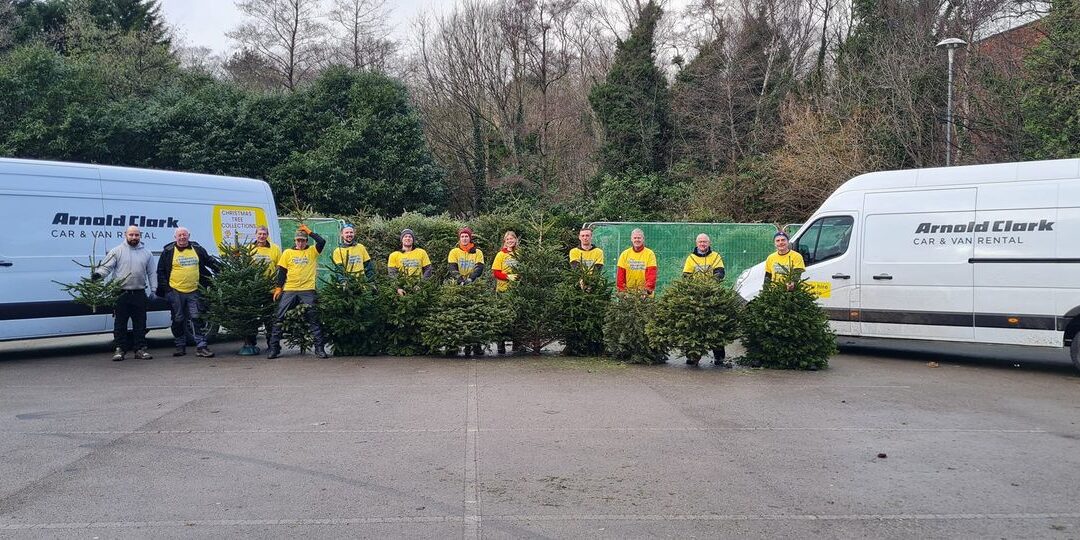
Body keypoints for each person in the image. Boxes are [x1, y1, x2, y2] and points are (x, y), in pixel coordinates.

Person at [93, 226, 157, 361]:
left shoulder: (147, 253)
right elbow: (106, 267)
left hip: (139, 292)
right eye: (131, 235)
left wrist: (154, 289)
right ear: (125, 235)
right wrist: (98, 275)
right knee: (120, 323)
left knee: (140, 323)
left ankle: (140, 349)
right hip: (121, 293)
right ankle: (120, 349)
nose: (134, 237)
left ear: (140, 236)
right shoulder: (116, 251)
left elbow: (151, 272)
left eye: (136, 235)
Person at [266, 225, 329, 359]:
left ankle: (319, 349)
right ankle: (274, 348)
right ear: (295, 241)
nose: (300, 243)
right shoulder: (287, 253)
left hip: (307, 290)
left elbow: (322, 241)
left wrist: (309, 231)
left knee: (313, 318)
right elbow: (282, 272)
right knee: (279, 317)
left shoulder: (312, 251)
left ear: (306, 241)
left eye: (303, 240)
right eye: (298, 240)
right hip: (290, 289)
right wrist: (278, 287)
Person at [157, 227, 219, 358]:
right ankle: (180, 346)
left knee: (196, 318)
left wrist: (222, 269)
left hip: (194, 291)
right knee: (178, 319)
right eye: (179, 235)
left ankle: (201, 346)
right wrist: (167, 290)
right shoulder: (168, 251)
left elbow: (209, 261)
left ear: (188, 236)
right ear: (175, 237)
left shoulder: (197, 249)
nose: (182, 238)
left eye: (184, 235)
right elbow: (161, 271)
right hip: (175, 291)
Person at [681, 233, 730, 366]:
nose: (703, 244)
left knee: (716, 325)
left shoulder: (716, 256)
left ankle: (719, 357)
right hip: (695, 297)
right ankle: (692, 356)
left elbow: (720, 272)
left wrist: (711, 283)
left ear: (709, 243)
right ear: (696, 243)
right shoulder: (691, 258)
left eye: (705, 242)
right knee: (693, 325)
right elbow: (686, 275)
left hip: (712, 295)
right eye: (700, 242)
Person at [243, 225, 282, 354]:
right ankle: (250, 342)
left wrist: (279, 286)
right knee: (252, 316)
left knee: (269, 318)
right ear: (255, 235)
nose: (262, 236)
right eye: (259, 234)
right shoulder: (249, 249)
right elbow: (244, 266)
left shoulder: (275, 249)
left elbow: (280, 268)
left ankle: (272, 344)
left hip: (270, 289)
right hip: (253, 288)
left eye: (264, 234)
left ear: (267, 235)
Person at [447, 227, 485, 355]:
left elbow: (479, 268)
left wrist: (470, 279)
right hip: (457, 286)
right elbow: (452, 268)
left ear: (470, 238)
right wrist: (460, 280)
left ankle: (476, 346)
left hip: (474, 286)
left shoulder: (478, 252)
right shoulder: (454, 252)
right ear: (459, 238)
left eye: (466, 236)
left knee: (476, 316)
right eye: (462, 236)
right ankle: (454, 346)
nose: (464, 238)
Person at [491, 231, 519, 355]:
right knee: (502, 317)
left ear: (516, 240)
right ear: (504, 241)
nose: (510, 241)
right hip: (503, 290)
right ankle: (500, 345)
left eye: (512, 238)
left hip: (517, 290)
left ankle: (517, 344)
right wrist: (508, 277)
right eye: (508, 239)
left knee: (517, 317)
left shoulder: (520, 253)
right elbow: (496, 272)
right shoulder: (500, 255)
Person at [387, 228, 432, 295]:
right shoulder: (393, 255)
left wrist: (421, 285)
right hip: (402, 288)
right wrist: (398, 288)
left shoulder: (421, 252)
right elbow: (392, 274)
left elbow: (428, 270)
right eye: (405, 236)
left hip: (419, 288)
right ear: (402, 240)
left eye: (410, 237)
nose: (408, 238)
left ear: (413, 240)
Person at [616, 228, 658, 296]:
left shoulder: (650, 254)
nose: (637, 240)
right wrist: (622, 291)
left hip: (645, 295)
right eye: (635, 238)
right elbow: (620, 275)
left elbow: (652, 274)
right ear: (631, 239)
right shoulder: (624, 254)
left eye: (639, 238)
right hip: (628, 294)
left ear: (643, 239)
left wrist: (647, 290)